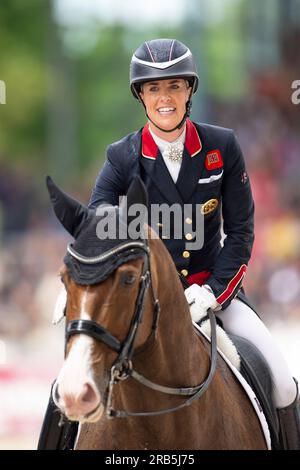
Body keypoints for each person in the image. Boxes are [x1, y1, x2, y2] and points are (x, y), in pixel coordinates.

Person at [88, 38, 299, 450]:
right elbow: (96, 224)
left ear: (189, 91)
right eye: (153, 88)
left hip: (212, 294)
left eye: (174, 87)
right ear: (141, 95)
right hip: (143, 301)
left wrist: (213, 293)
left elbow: (240, 232)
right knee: (66, 387)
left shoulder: (222, 146)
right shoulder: (121, 157)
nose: (164, 97)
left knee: (281, 383)